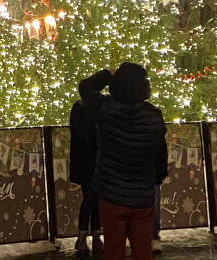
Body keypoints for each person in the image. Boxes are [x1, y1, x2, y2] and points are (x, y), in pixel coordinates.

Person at [94, 62, 168, 260]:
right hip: (142, 194)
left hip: (112, 192)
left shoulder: (106, 109)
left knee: (114, 250)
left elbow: (85, 87)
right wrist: (156, 179)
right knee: (143, 251)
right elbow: (160, 152)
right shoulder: (154, 115)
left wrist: (107, 74)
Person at [70, 70, 112, 253]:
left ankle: (88, 237)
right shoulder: (101, 105)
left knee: (91, 197)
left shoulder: (80, 106)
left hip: (85, 160)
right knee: (92, 198)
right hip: (95, 159)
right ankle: (90, 237)